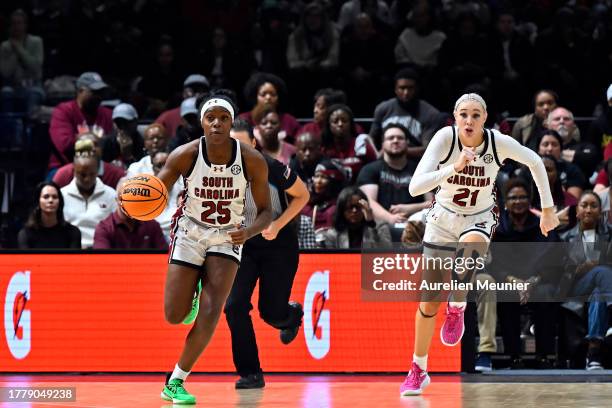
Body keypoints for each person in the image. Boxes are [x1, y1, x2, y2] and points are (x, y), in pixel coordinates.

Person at [401, 93, 558, 396]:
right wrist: (454, 168)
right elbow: (414, 186)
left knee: (467, 258)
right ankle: (418, 368)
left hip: (479, 216)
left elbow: (536, 161)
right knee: (429, 301)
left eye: (476, 115)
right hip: (442, 219)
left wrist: (548, 208)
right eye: (463, 114)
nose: (469, 121)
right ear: (455, 117)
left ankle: (458, 305)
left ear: (485, 118)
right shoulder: (445, 139)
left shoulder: (498, 142)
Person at [155, 92, 272, 404]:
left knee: (211, 312)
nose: (217, 123)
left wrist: (248, 231)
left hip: (228, 235)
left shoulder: (251, 159)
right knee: (173, 315)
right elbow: (156, 192)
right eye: (211, 118)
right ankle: (190, 293)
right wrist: (137, 201)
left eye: (224, 118)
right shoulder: (184, 155)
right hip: (190, 231)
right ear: (202, 122)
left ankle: (176, 381)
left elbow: (266, 212)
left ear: (231, 123)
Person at [224, 119, 309, 389]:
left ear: (253, 143)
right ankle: (251, 373)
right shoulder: (217, 172)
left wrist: (277, 224)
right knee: (234, 306)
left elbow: (302, 195)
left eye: (240, 143)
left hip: (278, 244)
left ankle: (291, 316)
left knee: (271, 313)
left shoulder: (271, 167)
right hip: (244, 245)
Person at [560, 191, 612, 370]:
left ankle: (594, 353)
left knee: (599, 294)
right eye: (584, 205)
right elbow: (559, 273)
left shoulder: (609, 235)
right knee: (599, 271)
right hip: (576, 289)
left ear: (601, 212)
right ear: (577, 211)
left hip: (603, 289)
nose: (588, 210)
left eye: (593, 206)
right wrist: (577, 271)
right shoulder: (565, 238)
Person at [48, 72, 113, 173]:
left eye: (101, 92)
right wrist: (101, 141)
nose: (99, 96)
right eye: (94, 92)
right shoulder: (63, 111)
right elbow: (66, 145)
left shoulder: (108, 114)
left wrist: (81, 138)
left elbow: (115, 146)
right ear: (80, 91)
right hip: (65, 166)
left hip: (101, 167)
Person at [369, 68, 445, 153]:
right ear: (395, 89)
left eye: (410, 88)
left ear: (417, 89)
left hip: (416, 162)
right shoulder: (383, 109)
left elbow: (428, 149)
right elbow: (371, 138)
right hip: (385, 160)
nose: (406, 92)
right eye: (402, 88)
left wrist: (395, 151)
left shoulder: (430, 113)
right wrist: (377, 154)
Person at [61, 148, 117, 248]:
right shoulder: (62, 195)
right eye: (82, 175)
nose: (87, 179)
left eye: (92, 174)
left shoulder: (111, 195)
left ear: (98, 172)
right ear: (74, 171)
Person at [93, 178, 168, 250]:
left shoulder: (152, 225)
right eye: (124, 198)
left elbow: (165, 257)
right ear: (116, 200)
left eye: (132, 198)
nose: (128, 203)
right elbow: (102, 261)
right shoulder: (104, 228)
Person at [0, 9, 44, 116]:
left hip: (33, 85)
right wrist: (15, 49)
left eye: (19, 23)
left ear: (25, 25)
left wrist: (19, 48)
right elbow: (5, 73)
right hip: (12, 86)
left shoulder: (36, 42)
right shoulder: (5, 46)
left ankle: (30, 129)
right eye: (14, 24)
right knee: (5, 93)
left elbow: (35, 67)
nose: (17, 27)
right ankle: (9, 130)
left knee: (34, 94)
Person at [321, 185, 392, 248]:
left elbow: (385, 254)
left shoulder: (380, 227)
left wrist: (371, 224)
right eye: (350, 207)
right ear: (342, 209)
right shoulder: (333, 234)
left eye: (358, 207)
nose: (354, 211)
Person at [17, 181, 81, 249]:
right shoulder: (25, 234)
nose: (51, 200)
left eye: (55, 197)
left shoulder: (73, 232)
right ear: (38, 202)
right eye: (46, 197)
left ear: (60, 202)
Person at [53, 133, 126, 189]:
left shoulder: (117, 175)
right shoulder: (63, 174)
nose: (92, 149)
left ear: (101, 149)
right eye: (86, 145)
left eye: (95, 144)